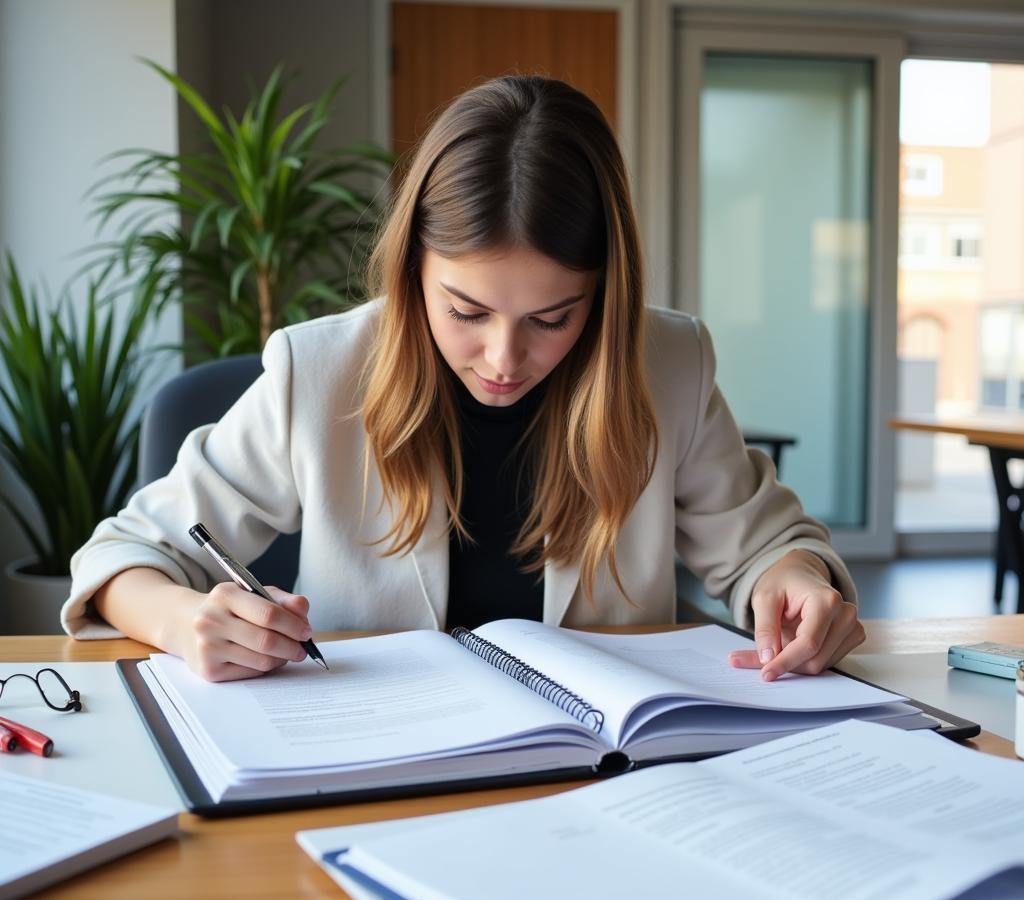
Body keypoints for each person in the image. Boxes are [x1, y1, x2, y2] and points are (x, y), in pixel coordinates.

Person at [62, 75, 865, 683]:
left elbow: (769, 546)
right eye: (467, 311)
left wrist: (792, 580)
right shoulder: (320, 370)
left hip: (605, 774)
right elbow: (125, 556)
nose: (505, 360)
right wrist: (182, 618)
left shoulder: (668, 364)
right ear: (413, 271)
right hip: (376, 764)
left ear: (605, 291)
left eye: (553, 318)